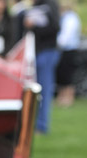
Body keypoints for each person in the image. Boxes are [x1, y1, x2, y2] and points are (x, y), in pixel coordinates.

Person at [21, 0, 59, 133]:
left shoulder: (50, 4)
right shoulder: (33, 6)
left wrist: (35, 26)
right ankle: (32, 124)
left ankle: (42, 125)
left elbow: (55, 28)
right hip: (34, 52)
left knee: (44, 89)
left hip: (47, 52)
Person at [55, 0, 80, 107]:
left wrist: (56, 43)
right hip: (64, 50)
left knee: (68, 75)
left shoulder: (71, 18)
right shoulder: (64, 17)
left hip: (69, 50)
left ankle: (69, 97)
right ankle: (61, 96)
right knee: (62, 74)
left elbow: (65, 37)